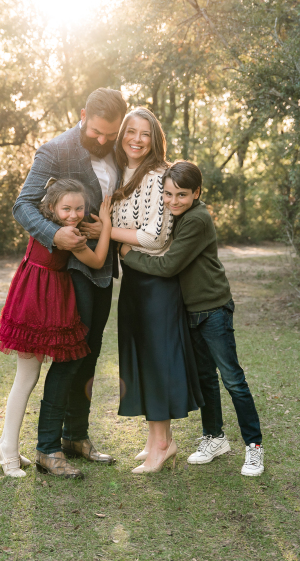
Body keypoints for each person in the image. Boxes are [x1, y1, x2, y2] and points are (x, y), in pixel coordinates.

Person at [119, 160, 264, 477]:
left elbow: (168, 266)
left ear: (197, 193)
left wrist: (130, 256)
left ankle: (254, 448)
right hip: (189, 310)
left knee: (232, 379)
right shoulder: (177, 216)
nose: (173, 202)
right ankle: (215, 438)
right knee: (205, 378)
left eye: (182, 195)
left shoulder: (197, 219)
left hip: (212, 308)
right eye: (169, 195)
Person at [11, 88, 127, 479]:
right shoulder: (55, 150)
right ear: (82, 115)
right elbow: (23, 204)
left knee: (91, 354)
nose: (102, 140)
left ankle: (75, 436)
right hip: (73, 268)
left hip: (103, 267)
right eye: (95, 132)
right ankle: (46, 447)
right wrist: (53, 234)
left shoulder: (118, 146)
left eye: (109, 134)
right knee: (68, 356)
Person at [0, 180, 112, 477]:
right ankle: (7, 450)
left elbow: (93, 260)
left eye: (79, 208)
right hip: (35, 300)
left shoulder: (49, 225)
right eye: (66, 208)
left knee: (28, 375)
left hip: (49, 297)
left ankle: (7, 444)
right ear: (51, 207)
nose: (73, 214)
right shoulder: (64, 233)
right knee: (27, 375)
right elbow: (97, 261)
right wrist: (106, 226)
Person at [110, 108, 203, 474]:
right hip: (134, 277)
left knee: (157, 360)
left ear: (155, 139)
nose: (136, 139)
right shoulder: (123, 173)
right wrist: (121, 245)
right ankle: (155, 440)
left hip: (156, 282)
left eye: (144, 133)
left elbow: (154, 236)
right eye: (129, 131)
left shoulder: (157, 177)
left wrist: (106, 233)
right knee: (142, 358)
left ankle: (162, 444)